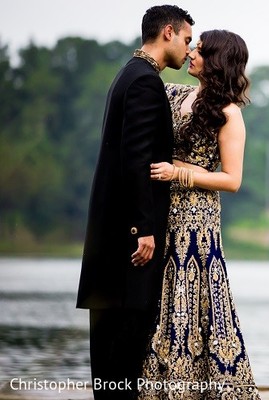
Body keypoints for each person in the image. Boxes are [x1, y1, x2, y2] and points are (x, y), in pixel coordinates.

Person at [76, 5, 194, 400]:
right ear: (167, 32)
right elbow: (138, 159)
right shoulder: (145, 82)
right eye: (187, 40)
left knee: (108, 359)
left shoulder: (129, 74)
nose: (188, 50)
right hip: (130, 245)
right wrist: (143, 229)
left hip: (108, 241)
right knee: (122, 355)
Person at [138, 30, 261, 400]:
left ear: (218, 61)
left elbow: (232, 179)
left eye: (201, 51)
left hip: (198, 221)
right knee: (162, 297)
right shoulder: (175, 94)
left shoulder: (229, 114)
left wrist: (181, 173)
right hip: (163, 211)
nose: (190, 53)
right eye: (192, 46)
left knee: (194, 295)